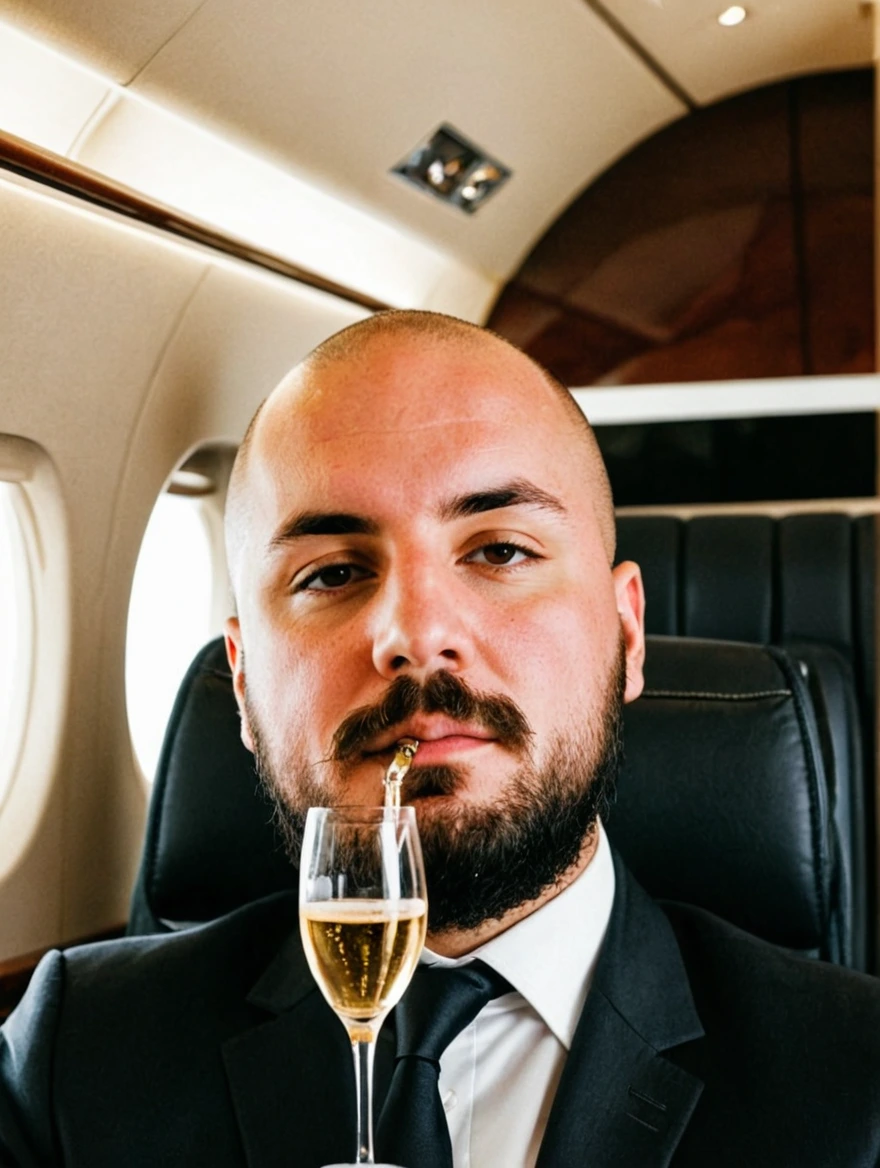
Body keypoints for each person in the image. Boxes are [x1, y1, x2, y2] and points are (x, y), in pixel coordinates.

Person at [1, 310, 880, 1168]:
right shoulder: (74, 1060)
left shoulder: (857, 1081)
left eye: (499, 551)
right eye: (334, 572)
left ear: (626, 635)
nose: (416, 636)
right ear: (241, 680)